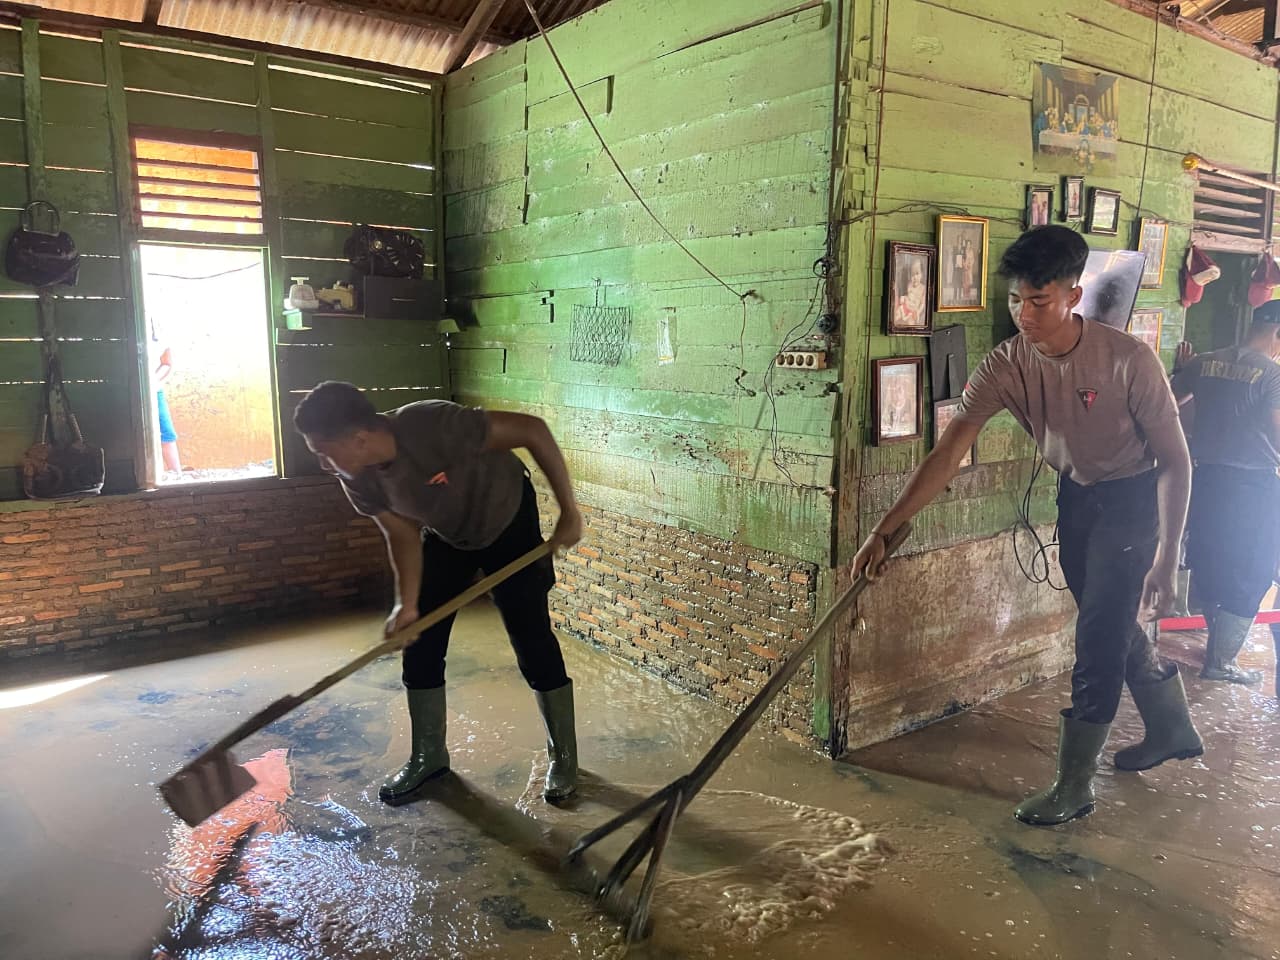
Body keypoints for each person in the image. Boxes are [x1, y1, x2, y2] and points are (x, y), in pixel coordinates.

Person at [851, 226, 1202, 827]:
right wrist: (885, 528)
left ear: (1073, 295)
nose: (1024, 315)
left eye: (1039, 301)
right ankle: (1171, 725)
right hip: (1077, 497)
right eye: (1016, 300)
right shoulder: (1006, 364)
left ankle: (1075, 785)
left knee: (1096, 639)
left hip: (1132, 500)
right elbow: (949, 450)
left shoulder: (1127, 360)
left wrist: (1167, 556)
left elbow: (1176, 461)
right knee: (1108, 619)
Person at [292, 381, 585, 804]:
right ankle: (428, 756)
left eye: (325, 452)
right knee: (421, 643)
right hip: (447, 534)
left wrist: (569, 511)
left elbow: (532, 430)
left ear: (358, 439)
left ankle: (564, 757)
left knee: (531, 638)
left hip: (507, 519)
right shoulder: (357, 477)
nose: (323, 464)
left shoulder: (431, 424)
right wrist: (407, 605)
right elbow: (401, 534)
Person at [1171, 301, 1280, 686]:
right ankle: (1221, 661)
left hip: (1205, 481)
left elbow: (1165, 406)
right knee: (1251, 571)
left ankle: (1217, 653)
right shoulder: (1272, 375)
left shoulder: (1202, 363)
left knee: (1211, 562)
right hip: (1252, 488)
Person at [150, 317, 182, 476]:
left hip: (154, 390)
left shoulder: (159, 332)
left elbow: (167, 363)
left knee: (166, 434)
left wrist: (151, 381)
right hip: (128, 390)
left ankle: (176, 474)